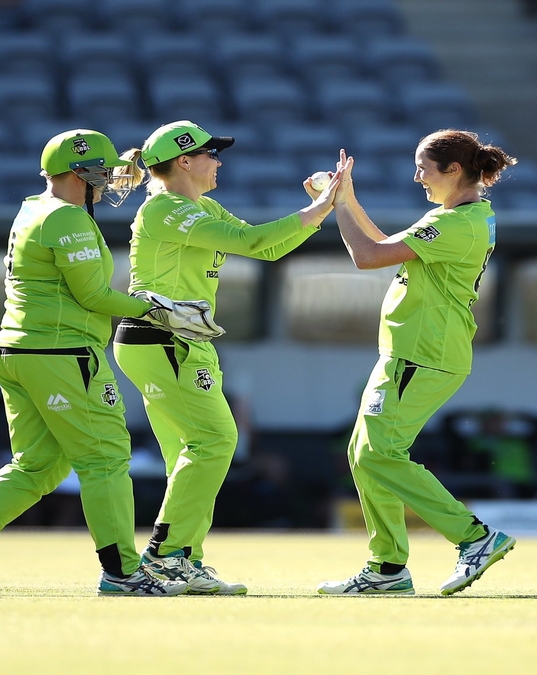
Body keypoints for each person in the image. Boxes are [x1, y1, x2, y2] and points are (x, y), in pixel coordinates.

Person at [0, 129, 215, 597]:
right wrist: (159, 309)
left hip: (17, 349)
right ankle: (121, 572)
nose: (112, 179)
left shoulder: (33, 208)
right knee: (107, 458)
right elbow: (92, 295)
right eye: (103, 170)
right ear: (80, 174)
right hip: (61, 353)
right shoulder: (68, 219)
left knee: (38, 466)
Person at [112, 120, 337, 595]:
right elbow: (254, 243)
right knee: (216, 441)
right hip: (161, 339)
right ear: (185, 162)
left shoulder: (202, 206)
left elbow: (267, 248)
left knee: (189, 455)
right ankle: (165, 555)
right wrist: (318, 208)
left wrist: (319, 212)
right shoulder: (165, 209)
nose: (218, 162)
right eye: (211, 154)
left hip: (175, 342)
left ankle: (185, 559)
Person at [317, 132, 518, 596]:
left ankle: (474, 537)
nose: (417, 177)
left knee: (378, 454)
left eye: (424, 167)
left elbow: (367, 257)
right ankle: (387, 568)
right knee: (364, 457)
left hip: (424, 353)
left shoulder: (457, 224)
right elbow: (385, 243)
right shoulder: (454, 216)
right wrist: (344, 198)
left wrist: (336, 205)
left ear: (453, 170)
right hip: (410, 352)